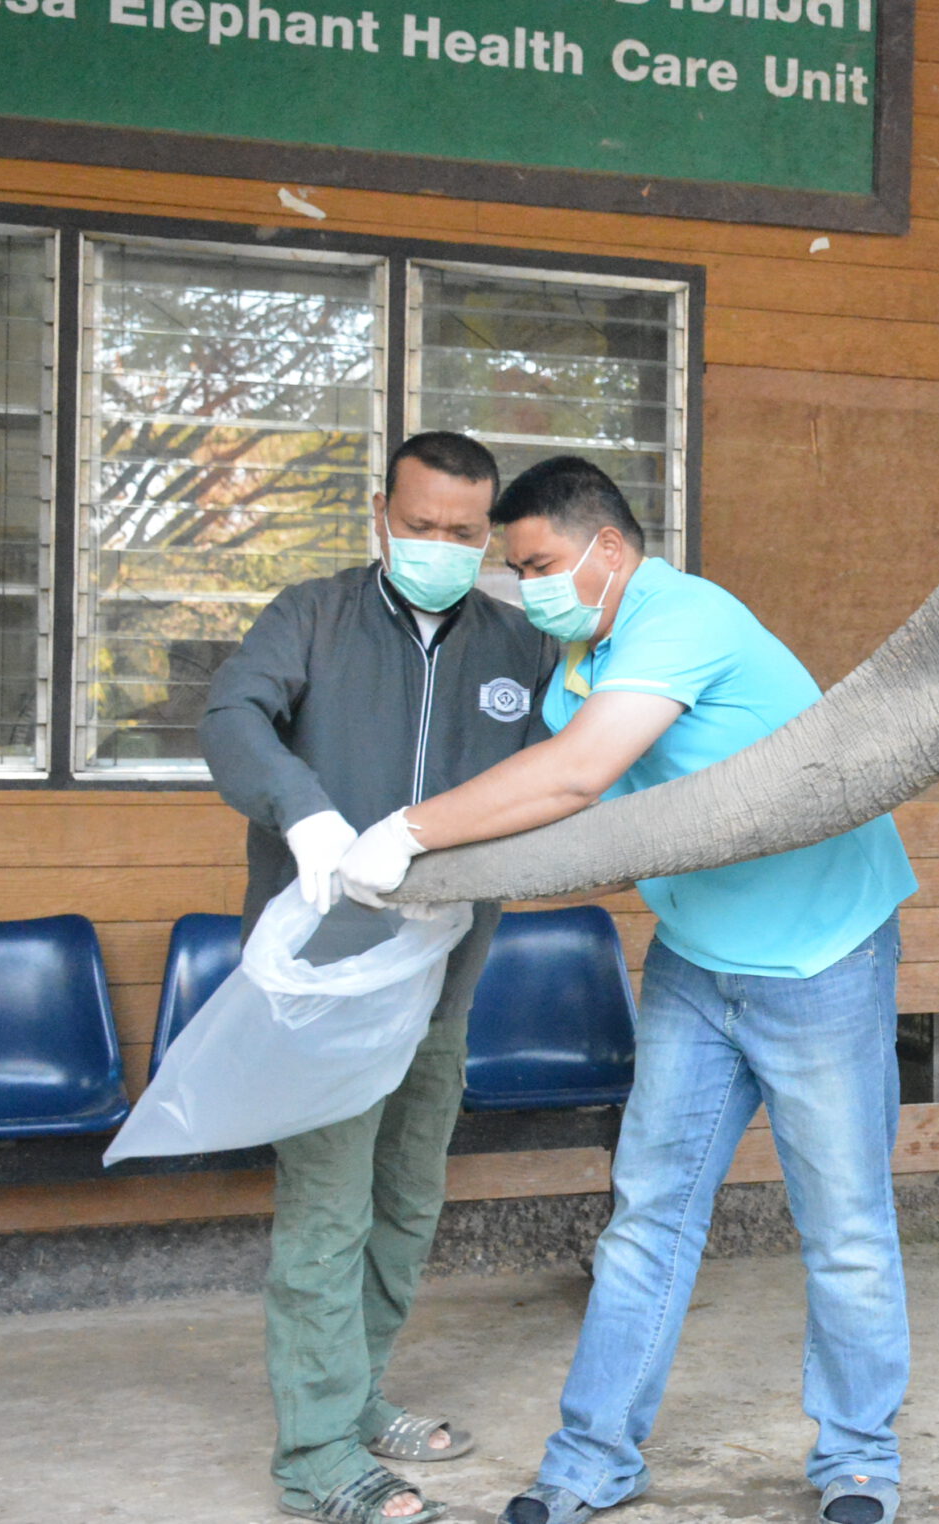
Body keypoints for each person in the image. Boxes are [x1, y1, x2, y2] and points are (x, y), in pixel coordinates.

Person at [331, 457, 919, 1524]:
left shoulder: (686, 618)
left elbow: (575, 776)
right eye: (517, 570)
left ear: (608, 547)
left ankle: (858, 1459)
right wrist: (426, 865)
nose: (527, 587)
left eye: (540, 564)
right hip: (696, 958)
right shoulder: (583, 645)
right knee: (648, 1218)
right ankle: (593, 1460)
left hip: (820, 955)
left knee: (843, 1226)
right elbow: (556, 800)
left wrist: (409, 834)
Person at [201, 430, 556, 1524]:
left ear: (486, 535)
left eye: (463, 533)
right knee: (327, 1214)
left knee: (405, 1202)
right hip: (330, 988)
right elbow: (232, 717)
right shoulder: (312, 615)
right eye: (420, 525)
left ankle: (355, 1396)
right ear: (379, 515)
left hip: (444, 982)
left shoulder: (518, 643)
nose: (439, 546)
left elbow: (563, 772)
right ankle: (315, 1453)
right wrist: (301, 809)